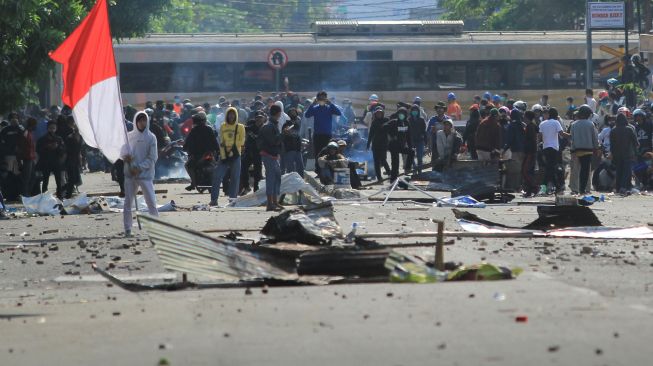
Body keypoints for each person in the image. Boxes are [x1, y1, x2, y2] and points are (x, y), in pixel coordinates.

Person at [120, 111, 159, 237]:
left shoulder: (151, 137)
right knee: (128, 203)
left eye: (144, 120)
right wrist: (125, 157)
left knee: (151, 202)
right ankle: (127, 228)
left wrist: (139, 168)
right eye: (139, 120)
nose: (142, 123)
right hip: (130, 174)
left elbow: (152, 157)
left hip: (145, 175)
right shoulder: (129, 136)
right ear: (136, 121)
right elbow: (122, 152)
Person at [210, 107, 246, 206]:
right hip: (224, 155)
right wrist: (224, 154)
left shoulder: (240, 127)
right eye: (229, 114)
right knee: (217, 177)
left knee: (235, 178)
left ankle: (232, 200)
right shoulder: (223, 126)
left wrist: (231, 149)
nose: (231, 116)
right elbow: (221, 141)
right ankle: (214, 199)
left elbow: (241, 141)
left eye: (233, 114)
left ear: (236, 115)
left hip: (235, 155)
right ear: (226, 115)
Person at [183, 112, 219, 191]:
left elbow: (188, 143)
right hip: (209, 154)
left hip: (199, 156)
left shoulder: (194, 130)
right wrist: (217, 150)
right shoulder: (209, 129)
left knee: (188, 166)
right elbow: (215, 142)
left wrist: (185, 148)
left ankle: (193, 183)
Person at [538, 108, 569, 195]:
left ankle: (548, 187)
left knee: (549, 167)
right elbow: (561, 134)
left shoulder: (542, 123)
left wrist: (537, 146)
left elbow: (539, 136)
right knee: (552, 168)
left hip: (545, 148)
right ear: (556, 115)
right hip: (554, 148)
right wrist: (571, 135)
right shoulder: (556, 122)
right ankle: (555, 187)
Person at [258, 104, 283, 211]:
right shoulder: (269, 126)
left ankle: (275, 202)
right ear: (278, 113)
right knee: (271, 179)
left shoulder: (273, 124)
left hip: (273, 155)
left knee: (277, 177)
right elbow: (273, 141)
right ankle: (270, 203)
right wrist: (283, 134)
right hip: (269, 155)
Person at [569, 105, 600, 194]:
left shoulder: (574, 124)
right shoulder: (591, 124)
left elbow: (572, 138)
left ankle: (575, 189)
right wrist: (596, 148)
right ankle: (584, 189)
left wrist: (572, 149)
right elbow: (594, 138)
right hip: (588, 151)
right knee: (586, 171)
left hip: (576, 150)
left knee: (575, 170)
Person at [304, 91, 341, 161]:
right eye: (320, 99)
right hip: (317, 135)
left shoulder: (329, 108)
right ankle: (317, 169)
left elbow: (339, 113)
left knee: (327, 153)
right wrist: (312, 104)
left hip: (327, 135)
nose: (322, 100)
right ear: (317, 99)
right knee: (317, 153)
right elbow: (307, 115)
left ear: (326, 99)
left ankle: (326, 169)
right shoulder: (315, 108)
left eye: (323, 99)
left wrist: (331, 104)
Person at [610, 113, 638, 194]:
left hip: (617, 154)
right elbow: (636, 143)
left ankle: (618, 187)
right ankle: (624, 187)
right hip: (628, 154)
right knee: (626, 171)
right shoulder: (629, 129)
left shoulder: (613, 130)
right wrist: (636, 153)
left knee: (619, 170)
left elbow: (612, 145)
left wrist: (613, 155)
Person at [36, 120, 65, 198]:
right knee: (45, 181)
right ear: (47, 128)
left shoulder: (59, 139)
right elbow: (38, 150)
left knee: (58, 181)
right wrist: (47, 147)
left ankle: (60, 197)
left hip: (56, 162)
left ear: (56, 129)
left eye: (53, 128)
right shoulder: (42, 139)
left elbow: (63, 150)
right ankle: (44, 197)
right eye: (50, 128)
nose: (52, 130)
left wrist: (57, 147)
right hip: (46, 162)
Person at [241, 111, 265, 195]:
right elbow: (242, 129)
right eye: (257, 117)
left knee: (257, 172)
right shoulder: (250, 127)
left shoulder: (265, 129)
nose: (259, 119)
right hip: (248, 152)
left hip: (258, 153)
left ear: (264, 119)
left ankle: (256, 189)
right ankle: (246, 186)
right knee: (243, 168)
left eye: (261, 117)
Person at [385, 107, 413, 181]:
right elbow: (384, 127)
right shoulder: (394, 122)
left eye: (403, 114)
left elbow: (408, 136)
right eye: (400, 114)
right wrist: (391, 136)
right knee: (395, 164)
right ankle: (393, 180)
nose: (401, 115)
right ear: (398, 114)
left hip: (401, 146)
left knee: (411, 151)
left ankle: (407, 168)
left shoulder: (407, 123)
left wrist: (410, 146)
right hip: (393, 146)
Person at [503, 109, 526, 192]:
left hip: (515, 151)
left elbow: (510, 140)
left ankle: (516, 187)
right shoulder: (522, 125)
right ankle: (522, 186)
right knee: (523, 169)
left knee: (516, 170)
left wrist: (504, 150)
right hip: (524, 150)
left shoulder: (511, 125)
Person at [366, 106, 390, 182]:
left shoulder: (386, 120)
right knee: (376, 162)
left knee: (383, 160)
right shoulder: (374, 122)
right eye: (377, 113)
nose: (379, 114)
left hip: (384, 144)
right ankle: (379, 177)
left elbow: (391, 130)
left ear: (382, 113)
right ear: (375, 114)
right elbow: (371, 134)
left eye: (380, 113)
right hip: (375, 145)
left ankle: (389, 173)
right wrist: (368, 144)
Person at [63, 117, 83, 198]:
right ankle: (67, 194)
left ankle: (63, 189)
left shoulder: (80, 138)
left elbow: (80, 150)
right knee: (72, 178)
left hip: (76, 159)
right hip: (69, 159)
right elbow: (66, 150)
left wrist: (81, 160)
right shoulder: (70, 137)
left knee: (75, 179)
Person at [633, 108, 653, 189]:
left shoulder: (649, 125)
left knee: (649, 168)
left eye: (639, 116)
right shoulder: (635, 127)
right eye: (636, 116)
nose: (638, 118)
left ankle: (649, 183)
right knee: (637, 168)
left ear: (643, 116)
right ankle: (643, 183)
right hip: (639, 152)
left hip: (649, 151)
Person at [281, 107, 304, 177]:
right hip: (289, 149)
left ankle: (300, 183)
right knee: (290, 168)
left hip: (298, 149)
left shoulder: (299, 124)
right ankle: (290, 183)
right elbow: (283, 136)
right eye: (291, 113)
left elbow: (299, 135)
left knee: (300, 167)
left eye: (294, 113)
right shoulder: (286, 125)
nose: (293, 115)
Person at [17, 117, 37, 197]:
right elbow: (21, 147)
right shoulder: (26, 133)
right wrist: (20, 160)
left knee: (32, 177)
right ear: (32, 125)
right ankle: (25, 194)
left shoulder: (30, 132)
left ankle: (27, 193)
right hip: (26, 159)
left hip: (31, 158)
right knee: (27, 178)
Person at [522, 111, 540, 197]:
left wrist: (529, 151)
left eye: (524, 116)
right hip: (531, 152)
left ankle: (535, 187)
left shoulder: (530, 127)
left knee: (526, 171)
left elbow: (532, 141)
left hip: (530, 152)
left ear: (527, 117)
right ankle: (529, 190)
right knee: (529, 171)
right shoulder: (530, 126)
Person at [408, 104, 427, 172]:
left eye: (416, 110)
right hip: (411, 141)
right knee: (411, 156)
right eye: (413, 110)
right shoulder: (408, 120)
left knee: (420, 157)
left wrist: (425, 141)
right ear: (411, 111)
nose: (414, 112)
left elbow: (424, 131)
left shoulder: (421, 120)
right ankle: (414, 168)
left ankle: (420, 171)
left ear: (418, 111)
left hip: (420, 140)